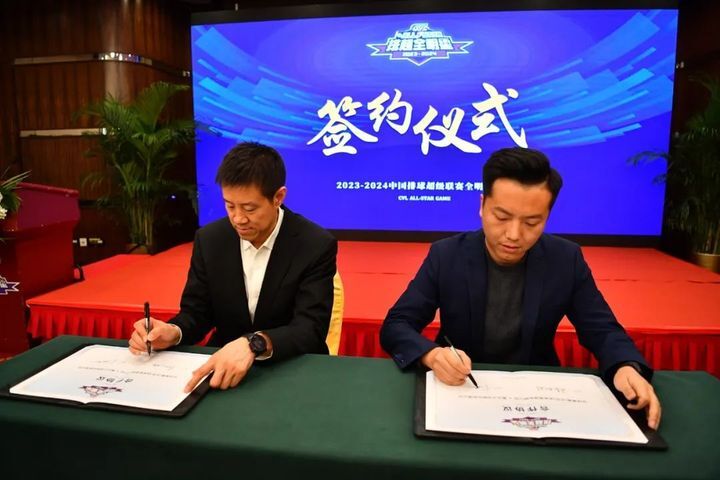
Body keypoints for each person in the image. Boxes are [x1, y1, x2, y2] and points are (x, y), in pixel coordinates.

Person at [380, 147, 661, 429]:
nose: (514, 235)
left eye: (531, 222)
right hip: (460, 389)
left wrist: (625, 366)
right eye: (502, 217)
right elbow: (397, 324)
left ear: (547, 216)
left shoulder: (565, 259)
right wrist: (433, 355)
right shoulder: (447, 255)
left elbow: (602, 329)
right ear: (482, 205)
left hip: (538, 395)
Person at [129, 142, 337, 392]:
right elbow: (196, 313)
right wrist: (173, 331)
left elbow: (310, 329)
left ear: (278, 197)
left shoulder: (314, 244)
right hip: (223, 370)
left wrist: (254, 344)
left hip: (291, 368)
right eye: (229, 206)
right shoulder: (210, 240)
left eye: (249, 208)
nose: (238, 218)